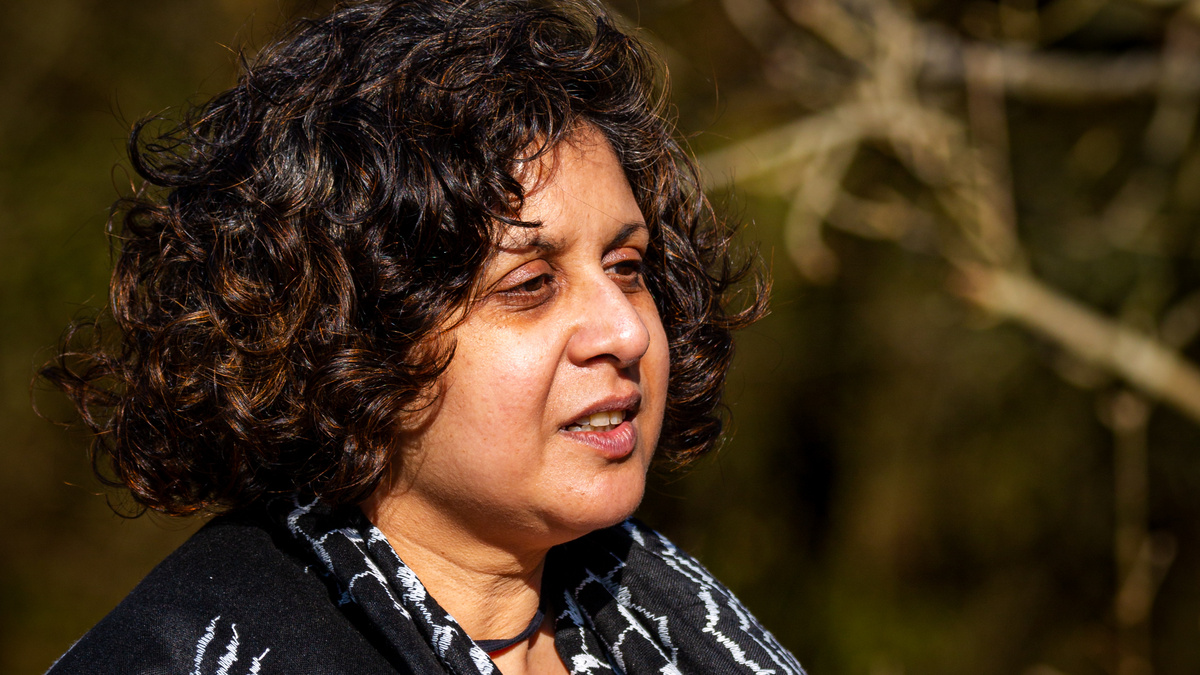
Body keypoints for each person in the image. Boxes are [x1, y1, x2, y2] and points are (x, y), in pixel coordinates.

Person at [43, 0, 804, 673]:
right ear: (350, 342)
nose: (626, 329)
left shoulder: (677, 617)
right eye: (529, 285)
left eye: (627, 267)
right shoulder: (189, 653)